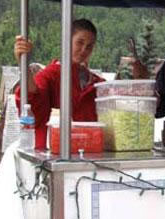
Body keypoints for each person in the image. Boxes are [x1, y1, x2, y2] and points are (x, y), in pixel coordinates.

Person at [14, 18, 104, 149]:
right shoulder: (51, 75)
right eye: (80, 43)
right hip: (54, 152)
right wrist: (23, 63)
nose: (84, 50)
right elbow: (32, 102)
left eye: (89, 46)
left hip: (88, 151)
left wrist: (139, 76)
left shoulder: (96, 83)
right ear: (67, 41)